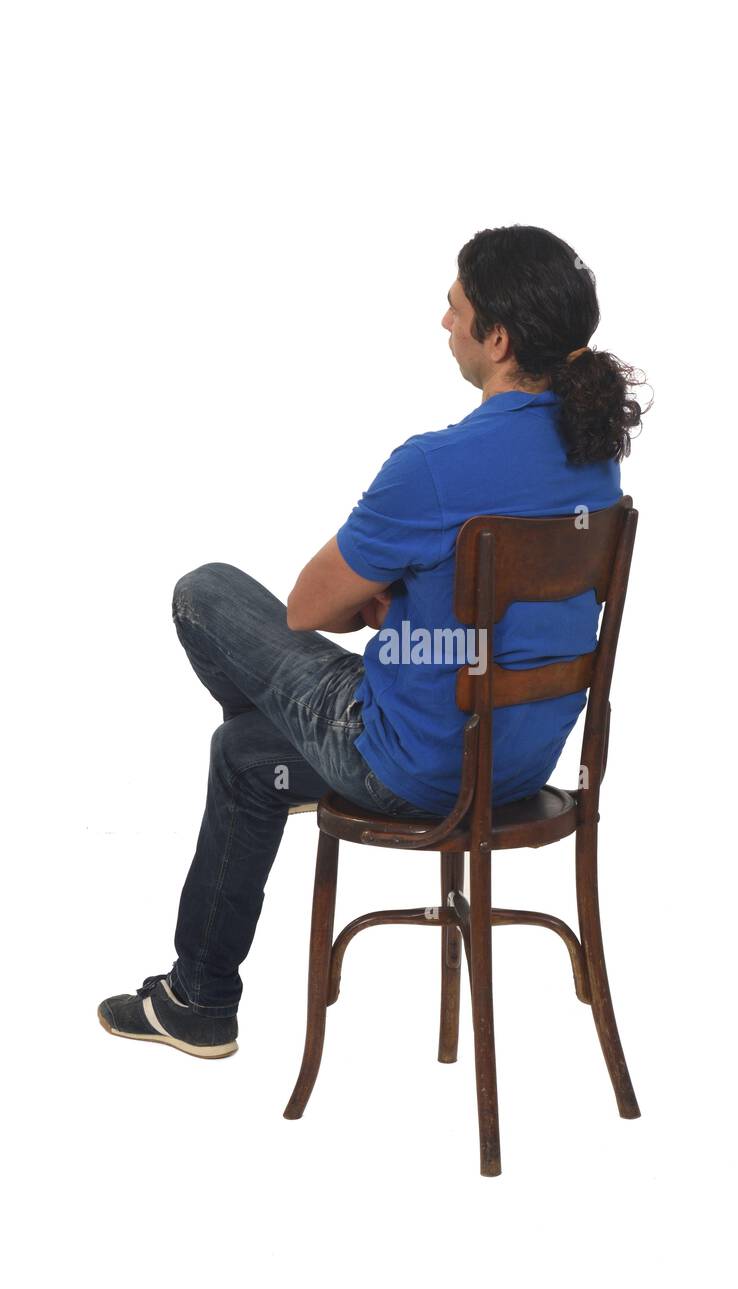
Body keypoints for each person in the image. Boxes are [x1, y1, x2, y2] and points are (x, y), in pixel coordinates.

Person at [97, 223, 649, 1059]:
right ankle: (198, 992)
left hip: (415, 769)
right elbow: (514, 622)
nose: (444, 322)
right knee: (245, 754)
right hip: (517, 765)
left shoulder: (433, 465)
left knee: (206, 593)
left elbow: (305, 608)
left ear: (498, 338)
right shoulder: (595, 456)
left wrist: (376, 606)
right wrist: (411, 613)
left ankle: (208, 992)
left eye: (455, 308)